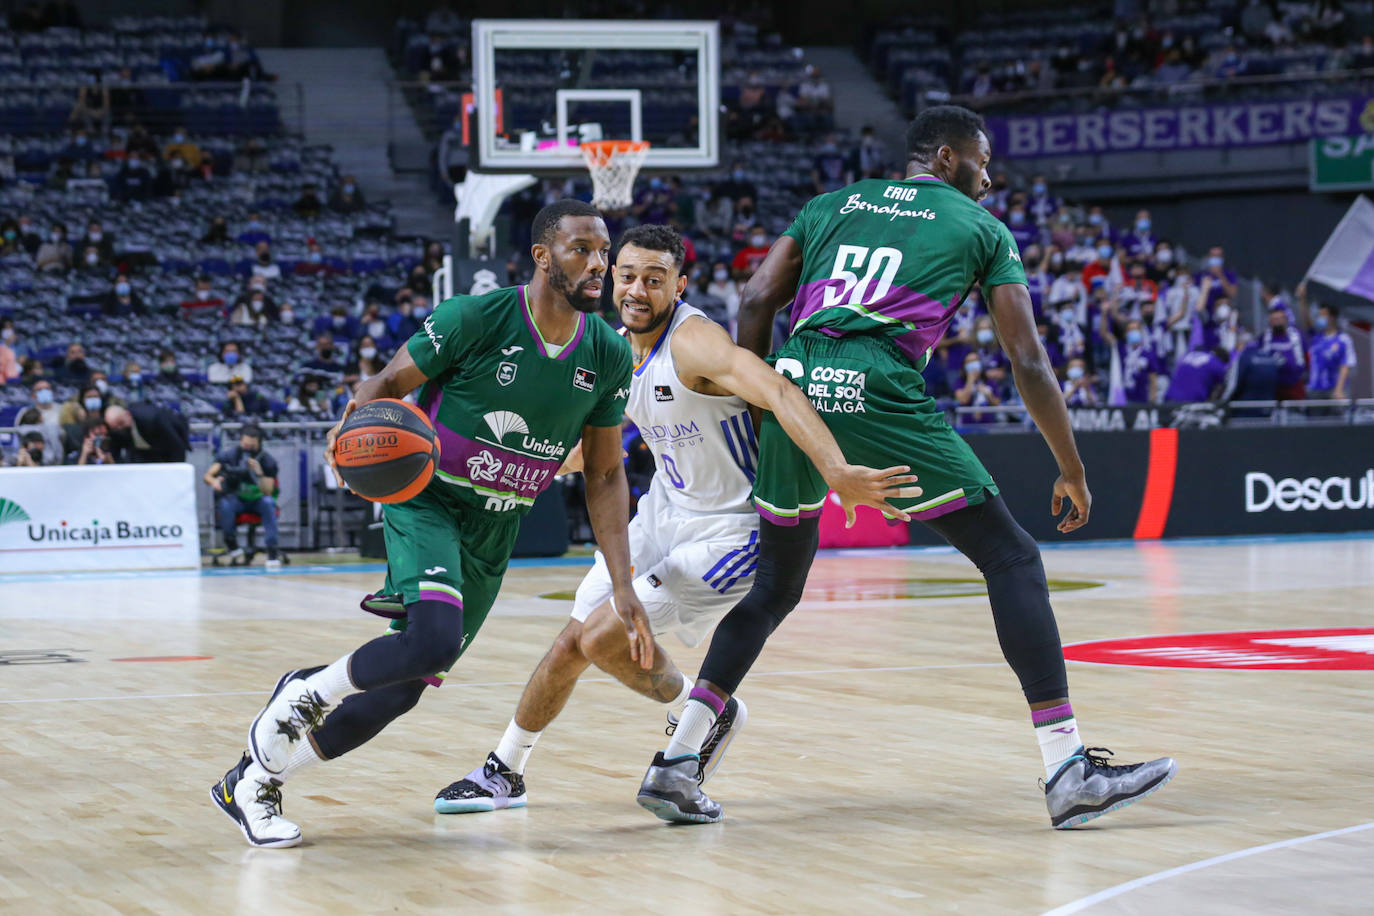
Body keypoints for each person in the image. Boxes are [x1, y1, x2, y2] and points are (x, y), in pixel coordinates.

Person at [635, 105, 1176, 828]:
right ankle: (1066, 767)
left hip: (795, 381)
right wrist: (1071, 468)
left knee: (772, 590)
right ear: (948, 159)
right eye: (984, 163)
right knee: (1011, 558)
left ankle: (677, 761)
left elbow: (759, 296)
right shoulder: (981, 227)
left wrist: (768, 399)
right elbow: (1027, 359)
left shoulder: (832, 204)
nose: (991, 178)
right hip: (880, 384)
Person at [429, 224, 911, 815]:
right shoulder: (612, 347)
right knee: (569, 643)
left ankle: (704, 710)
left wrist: (837, 472)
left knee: (603, 636)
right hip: (662, 513)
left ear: (678, 286)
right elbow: (596, 447)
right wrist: (529, 462)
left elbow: (782, 394)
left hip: (731, 529)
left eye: (654, 280)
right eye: (627, 276)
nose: (636, 290)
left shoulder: (695, 344)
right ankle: (506, 770)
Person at [209, 200, 646, 849]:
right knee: (434, 637)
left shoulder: (608, 354)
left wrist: (623, 581)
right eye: (583, 249)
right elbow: (383, 382)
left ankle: (254, 778)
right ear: (543, 255)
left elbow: (606, 475)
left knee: (401, 692)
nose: (599, 264)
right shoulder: (476, 317)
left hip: (497, 530)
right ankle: (302, 694)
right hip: (430, 501)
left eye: (604, 252)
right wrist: (353, 441)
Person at [204, 424, 282, 568]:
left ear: (258, 443)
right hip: (237, 499)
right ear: (240, 441)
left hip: (258, 499)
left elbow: (268, 491)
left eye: (251, 446)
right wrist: (214, 481)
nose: (247, 448)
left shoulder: (267, 460)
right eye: (245, 444)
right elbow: (208, 476)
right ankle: (231, 543)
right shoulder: (229, 456)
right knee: (225, 504)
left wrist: (259, 473)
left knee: (268, 503)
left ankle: (272, 550)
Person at [104, 403, 190, 463]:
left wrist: (177, 469)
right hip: (141, 451)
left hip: (164, 446)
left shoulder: (153, 419)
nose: (120, 428)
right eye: (115, 428)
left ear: (128, 414)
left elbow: (176, 445)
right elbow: (115, 453)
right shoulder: (115, 430)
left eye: (121, 423)